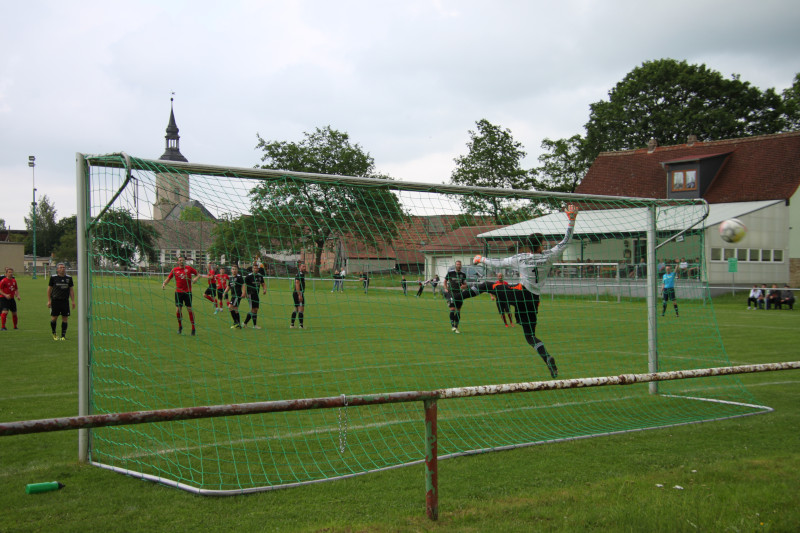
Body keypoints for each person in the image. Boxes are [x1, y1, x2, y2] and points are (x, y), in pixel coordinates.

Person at [464, 204, 579, 378]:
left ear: (528, 246)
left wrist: (482, 259)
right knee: (530, 336)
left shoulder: (521, 258)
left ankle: (456, 297)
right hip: (533, 300)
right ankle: (546, 357)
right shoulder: (549, 256)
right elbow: (565, 241)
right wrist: (571, 220)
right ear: (541, 245)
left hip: (520, 295)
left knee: (489, 286)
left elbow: (498, 263)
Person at [162, 256, 199, 335]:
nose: (181, 262)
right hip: (178, 293)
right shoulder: (175, 270)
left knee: (189, 309)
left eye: (182, 260)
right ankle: (180, 326)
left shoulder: (189, 268)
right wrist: (164, 283)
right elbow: (169, 278)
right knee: (178, 310)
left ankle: (193, 328)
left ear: (185, 261)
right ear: (178, 262)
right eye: (180, 260)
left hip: (188, 292)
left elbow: (198, 274)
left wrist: (196, 278)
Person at [47, 262, 75, 340]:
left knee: (65, 318)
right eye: (61, 267)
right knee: (54, 318)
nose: (63, 269)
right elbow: (49, 289)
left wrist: (73, 301)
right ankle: (54, 333)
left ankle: (63, 335)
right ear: (57, 269)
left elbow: (71, 290)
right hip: (55, 301)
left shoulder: (69, 278)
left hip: (65, 301)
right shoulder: (53, 278)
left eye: (64, 267)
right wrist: (49, 300)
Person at [444, 261, 468, 333]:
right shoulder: (450, 273)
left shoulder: (463, 275)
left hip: (460, 294)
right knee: (452, 308)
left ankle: (456, 327)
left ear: (461, 266)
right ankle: (452, 326)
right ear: (455, 265)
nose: (458, 265)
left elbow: (465, 284)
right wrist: (445, 288)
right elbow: (445, 281)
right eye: (457, 264)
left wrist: (464, 286)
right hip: (451, 293)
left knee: (458, 310)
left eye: (459, 264)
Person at [243, 264, 266, 329]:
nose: (255, 269)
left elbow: (263, 284)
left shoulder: (260, 276)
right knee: (253, 309)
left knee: (256, 309)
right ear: (252, 269)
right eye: (254, 268)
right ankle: (249, 324)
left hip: (256, 295)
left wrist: (264, 289)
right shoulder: (249, 276)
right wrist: (244, 292)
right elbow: (244, 284)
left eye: (256, 268)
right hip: (250, 294)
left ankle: (248, 324)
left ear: (258, 269)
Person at [225, 265, 246, 329]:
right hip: (233, 295)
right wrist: (225, 292)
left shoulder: (239, 277)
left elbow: (243, 285)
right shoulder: (231, 278)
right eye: (233, 269)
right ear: (231, 270)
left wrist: (244, 292)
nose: (234, 270)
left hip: (237, 295)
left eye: (235, 269)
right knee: (236, 309)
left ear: (237, 270)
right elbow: (229, 286)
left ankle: (235, 322)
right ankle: (238, 324)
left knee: (230, 307)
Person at [290, 262, 307, 329]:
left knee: (296, 309)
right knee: (301, 309)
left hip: (296, 293)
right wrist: (299, 295)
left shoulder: (301, 274)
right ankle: (301, 325)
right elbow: (297, 283)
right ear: (299, 267)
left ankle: (292, 325)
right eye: (303, 266)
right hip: (298, 293)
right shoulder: (300, 274)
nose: (304, 268)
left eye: (305, 266)